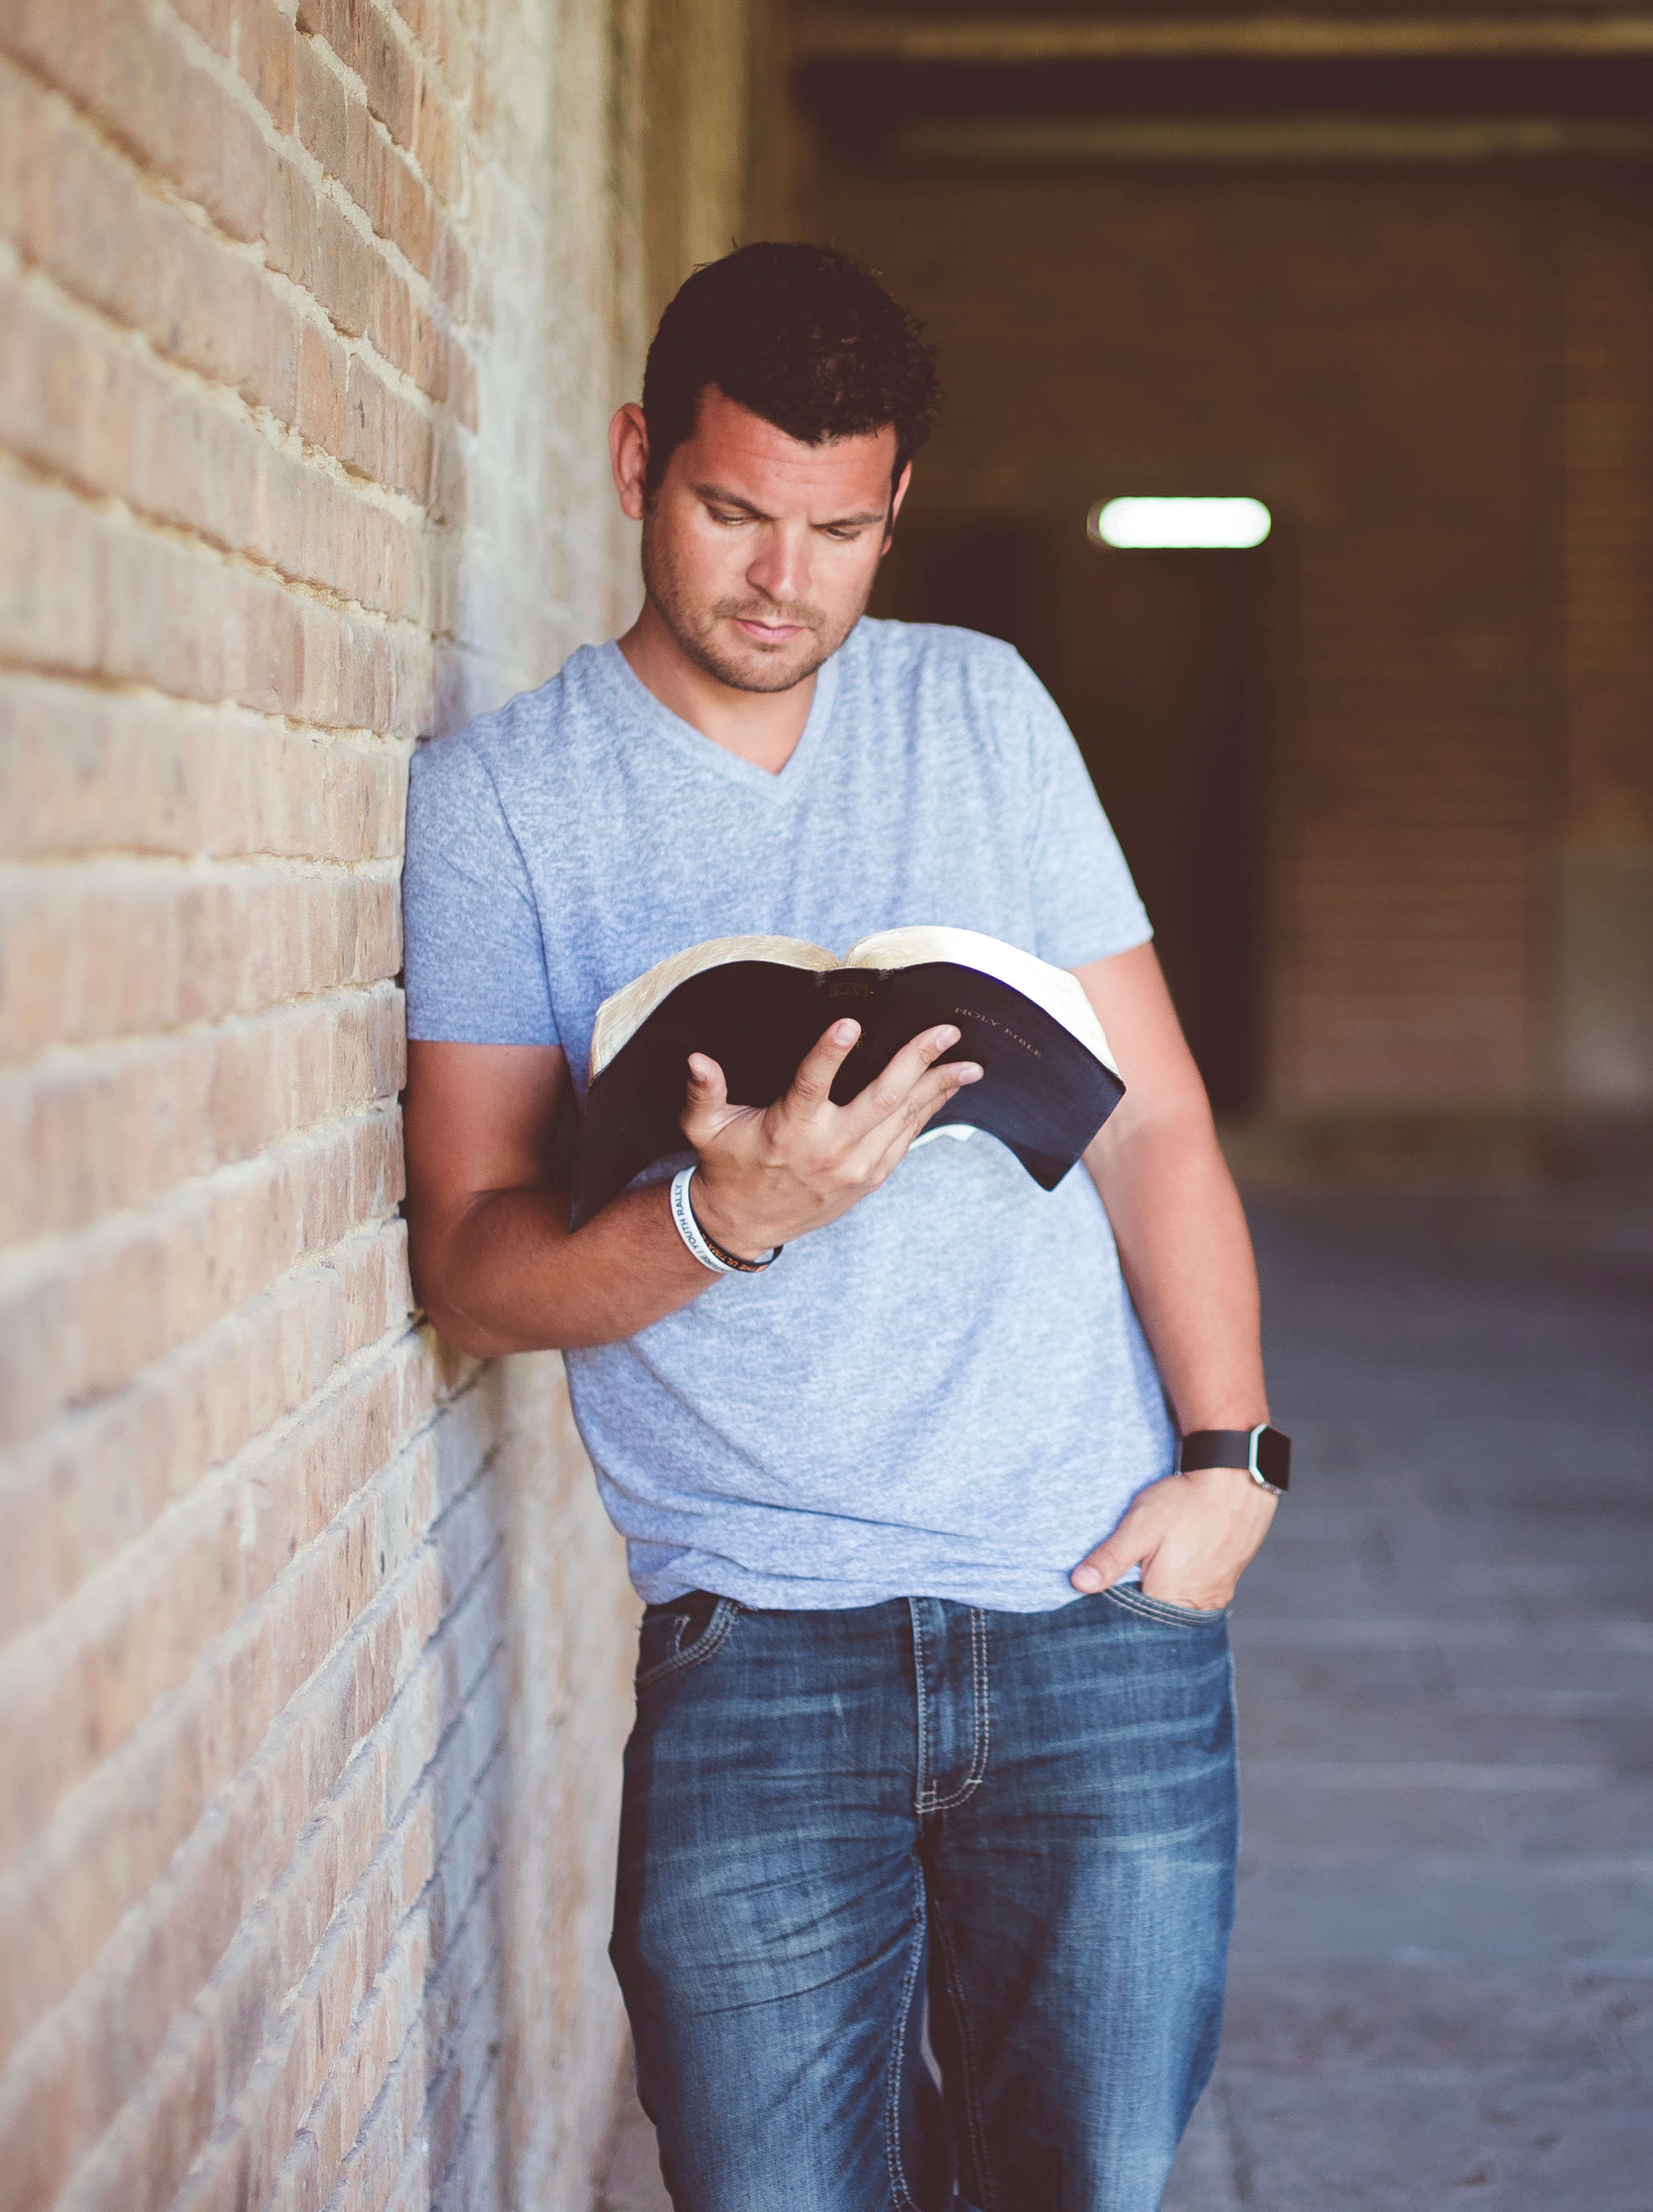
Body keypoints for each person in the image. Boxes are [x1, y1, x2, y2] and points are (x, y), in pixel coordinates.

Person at [399, 244, 1280, 2212]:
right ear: (638, 461)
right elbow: (468, 1259)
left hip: (1093, 1613)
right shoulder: (503, 806)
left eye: (838, 531)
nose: (780, 581)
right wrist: (724, 1227)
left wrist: (1230, 1462)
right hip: (757, 1647)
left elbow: (1154, 1129)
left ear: (894, 515)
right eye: (730, 514)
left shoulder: (980, 709)